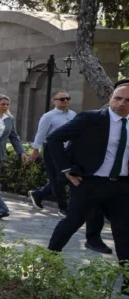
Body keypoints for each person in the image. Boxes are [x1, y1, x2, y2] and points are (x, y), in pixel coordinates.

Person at [45, 80, 129, 261]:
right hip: (89, 183)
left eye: (127, 100)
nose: (122, 103)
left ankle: (127, 283)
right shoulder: (91, 119)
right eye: (118, 98)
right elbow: (54, 139)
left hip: (122, 187)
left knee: (124, 232)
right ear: (110, 98)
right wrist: (66, 169)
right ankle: (48, 262)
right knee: (71, 223)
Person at [26, 92, 109, 252]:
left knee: (64, 179)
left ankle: (39, 194)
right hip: (52, 150)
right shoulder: (48, 116)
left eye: (67, 99)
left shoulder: (73, 115)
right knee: (57, 178)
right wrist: (35, 151)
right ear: (54, 101)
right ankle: (62, 207)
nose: (65, 101)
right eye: (62, 99)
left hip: (69, 151)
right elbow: (42, 134)